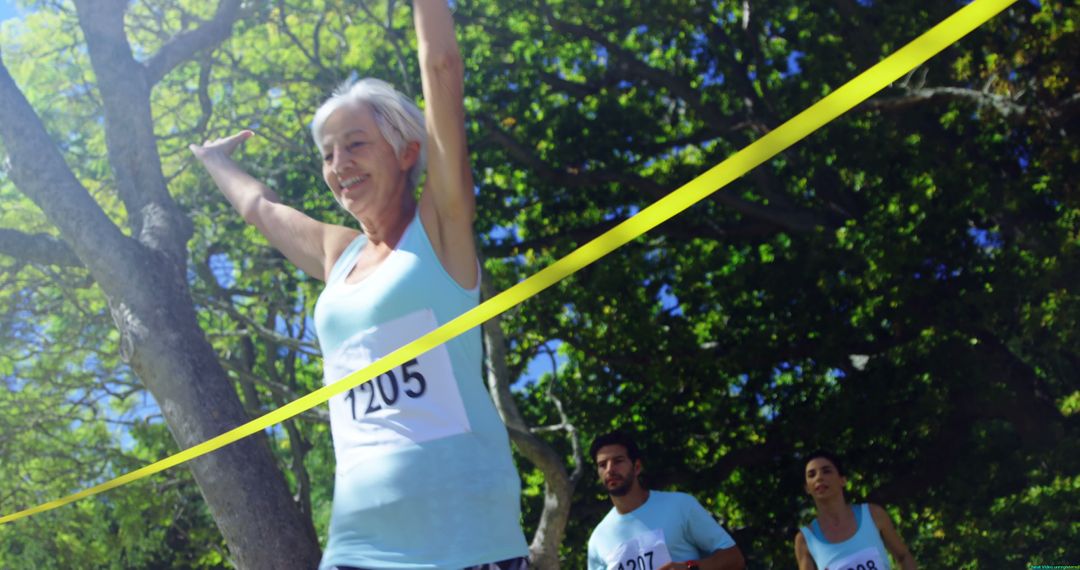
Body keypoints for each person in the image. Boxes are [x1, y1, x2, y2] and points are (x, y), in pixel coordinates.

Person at [188, 2, 529, 568]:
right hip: (358, 548)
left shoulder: (440, 225)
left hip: (467, 541)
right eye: (327, 154)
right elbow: (261, 208)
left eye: (356, 143)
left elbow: (441, 65)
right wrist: (213, 159)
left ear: (406, 151)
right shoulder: (338, 254)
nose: (338, 163)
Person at [587, 431, 746, 570]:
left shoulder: (680, 505)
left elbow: (734, 559)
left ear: (637, 467)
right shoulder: (598, 539)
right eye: (602, 464)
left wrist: (688, 568)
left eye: (618, 461)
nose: (610, 469)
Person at [794, 450, 917, 570]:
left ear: (843, 480)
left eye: (826, 471)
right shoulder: (805, 539)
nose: (819, 477)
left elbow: (903, 556)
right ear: (807, 488)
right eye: (811, 475)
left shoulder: (873, 514)